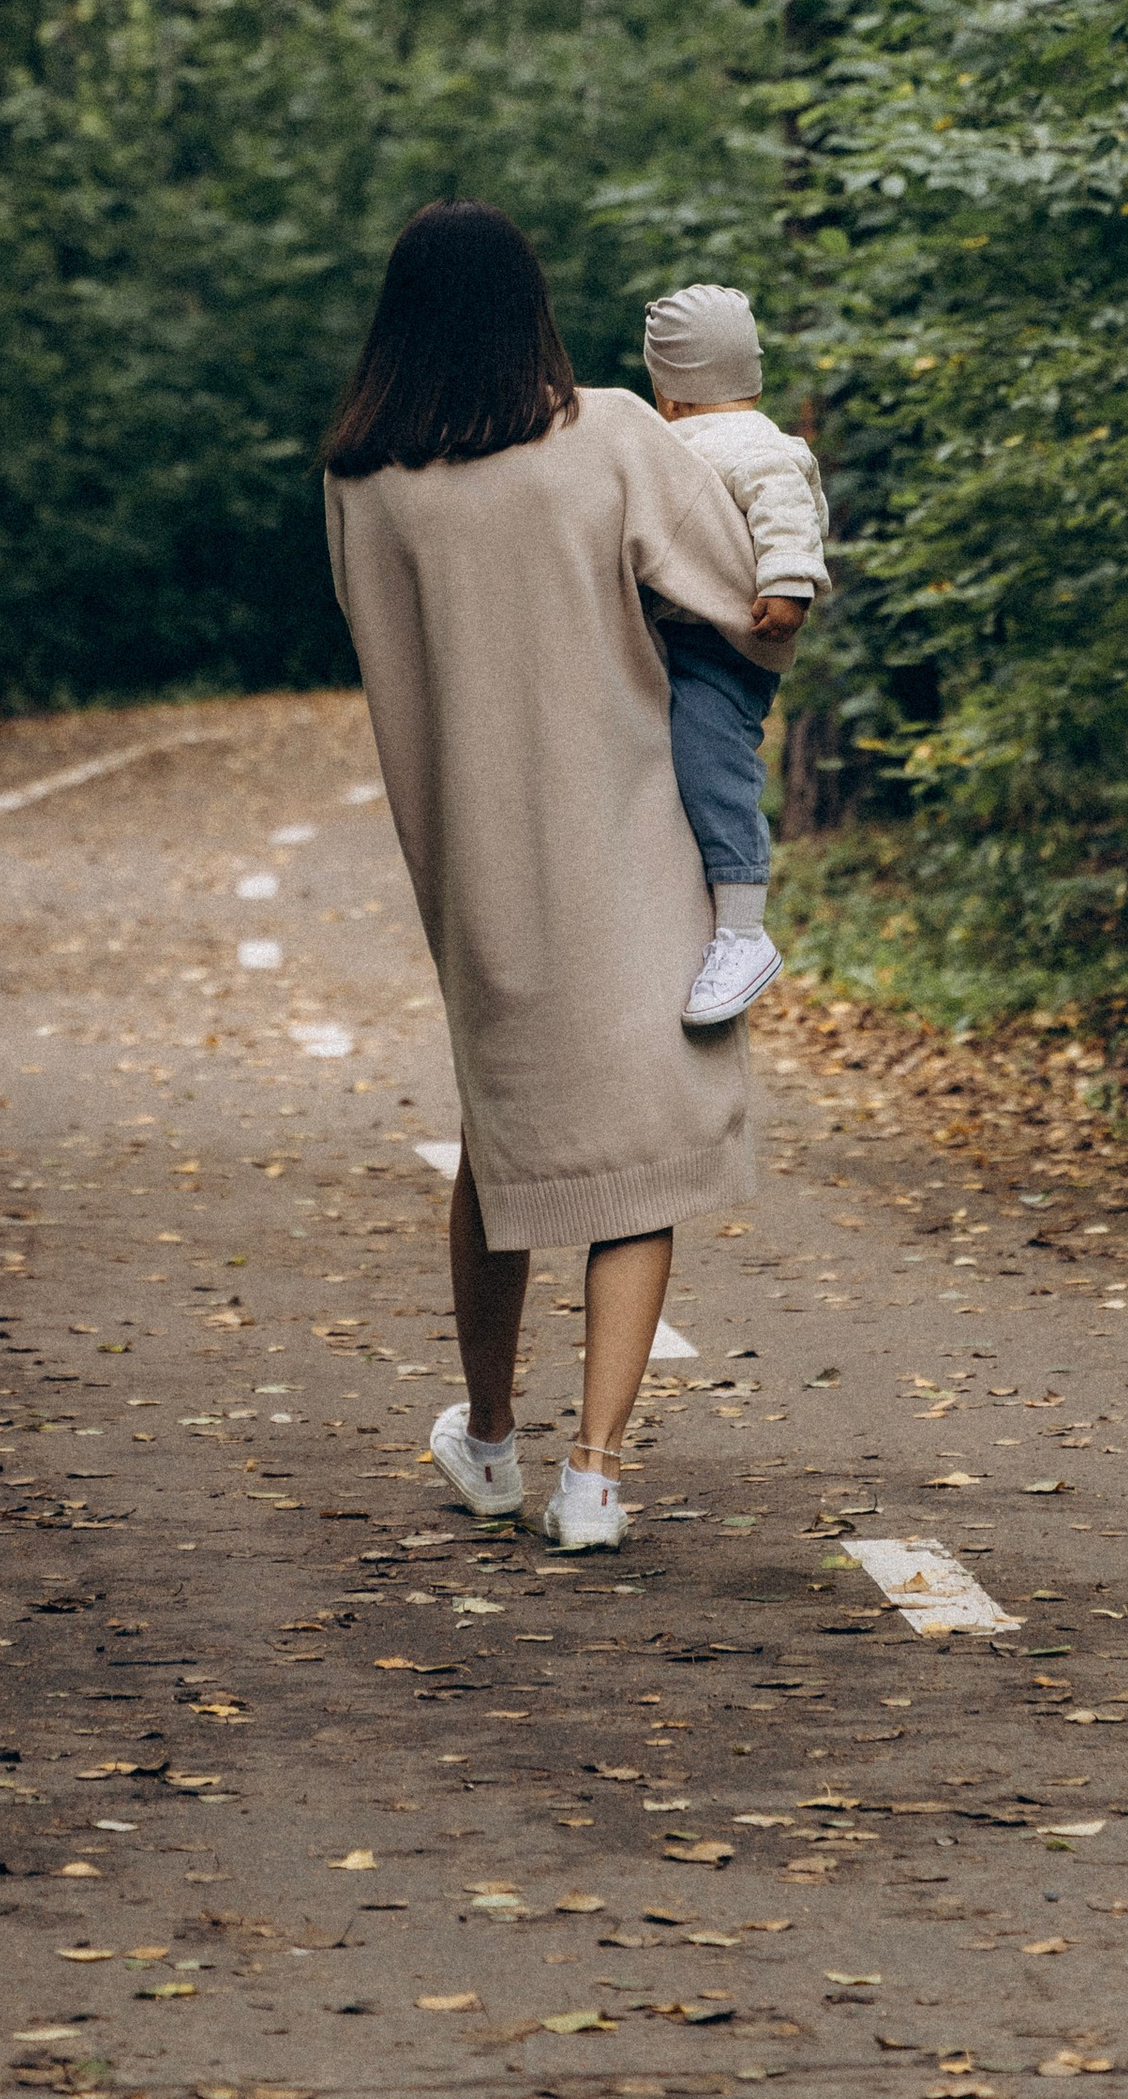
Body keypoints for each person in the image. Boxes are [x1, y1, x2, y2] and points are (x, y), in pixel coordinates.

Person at [322, 201, 775, 1554]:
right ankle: (595, 1473)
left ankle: (490, 1438)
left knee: (509, 1137)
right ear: (531, 308)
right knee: (639, 1149)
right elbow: (743, 596)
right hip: (633, 839)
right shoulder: (615, 433)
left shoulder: (361, 480)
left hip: (475, 861)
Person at [641, 282, 832, 1034]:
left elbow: (787, 512)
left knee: (712, 761)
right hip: (680, 637)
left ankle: (743, 932)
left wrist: (788, 585)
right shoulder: (684, 441)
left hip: (726, 644)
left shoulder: (751, 442)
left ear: (669, 392)